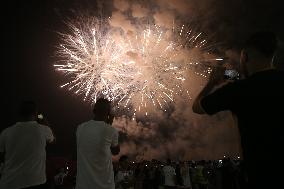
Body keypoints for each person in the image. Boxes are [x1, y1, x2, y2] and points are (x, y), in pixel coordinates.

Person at [192, 31, 284, 188]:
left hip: (261, 175)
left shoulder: (237, 90)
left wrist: (211, 83)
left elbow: (197, 107)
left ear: (245, 56)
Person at [0, 101, 55, 189]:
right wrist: (42, 118)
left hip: (9, 182)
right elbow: (52, 140)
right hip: (35, 181)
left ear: (19, 113)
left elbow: (1, 155)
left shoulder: (6, 132)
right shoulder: (44, 130)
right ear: (36, 112)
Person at [75, 98, 120, 189]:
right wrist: (109, 125)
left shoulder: (80, 128)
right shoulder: (111, 130)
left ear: (94, 111)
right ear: (108, 113)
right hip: (105, 185)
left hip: (83, 185)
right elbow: (116, 151)